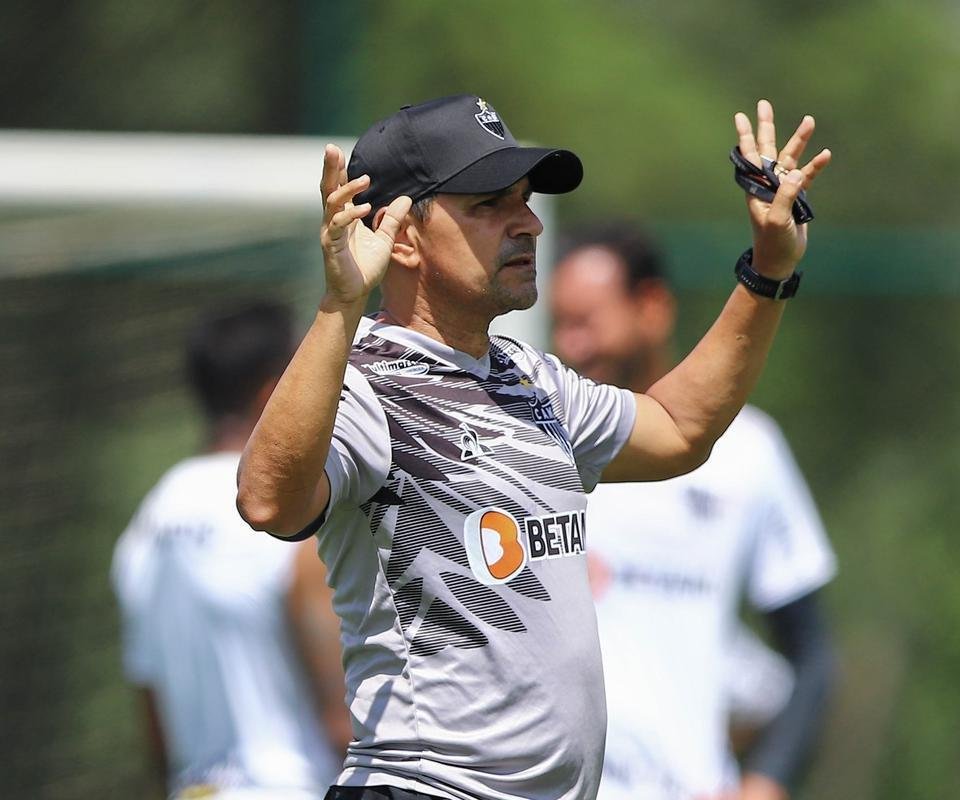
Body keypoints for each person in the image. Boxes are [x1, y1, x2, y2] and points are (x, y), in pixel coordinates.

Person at [235, 93, 831, 800]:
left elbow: (677, 430)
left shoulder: (529, 378)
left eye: (524, 199)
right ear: (400, 237)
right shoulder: (370, 385)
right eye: (489, 205)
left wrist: (766, 270)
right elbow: (268, 500)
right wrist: (340, 307)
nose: (529, 223)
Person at [550, 225, 837, 800]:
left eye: (587, 321)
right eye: (561, 323)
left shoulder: (748, 451)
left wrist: (766, 782)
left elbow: (812, 658)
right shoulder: (536, 447)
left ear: (652, 308)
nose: (571, 344)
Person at [112, 302, 348, 799]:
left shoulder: (146, 522)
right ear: (272, 394)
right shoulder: (290, 522)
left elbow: (154, 722)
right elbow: (343, 718)